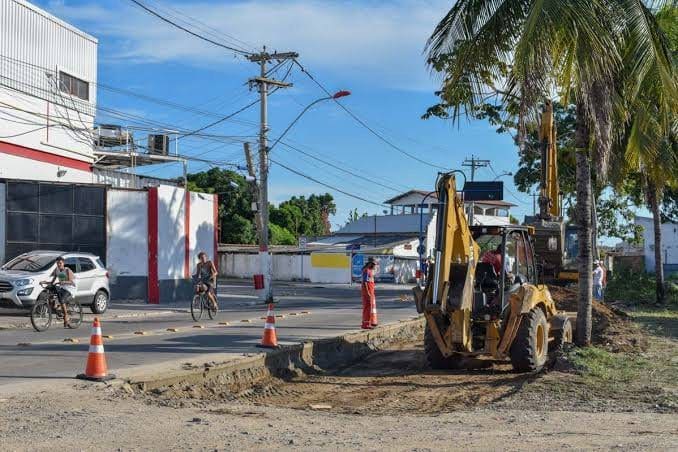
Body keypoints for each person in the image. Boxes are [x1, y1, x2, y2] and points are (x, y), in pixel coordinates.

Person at [42, 256, 75, 328]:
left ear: (63, 263)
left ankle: (66, 317)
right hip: (62, 287)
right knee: (51, 291)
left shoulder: (67, 270)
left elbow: (71, 282)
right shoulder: (56, 270)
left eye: (60, 263)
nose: (59, 264)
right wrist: (46, 282)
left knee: (62, 300)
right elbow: (52, 281)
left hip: (70, 288)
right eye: (57, 263)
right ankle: (56, 309)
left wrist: (63, 282)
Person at [361, 257, 377, 329]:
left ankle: (369, 322)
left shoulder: (370, 270)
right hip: (367, 291)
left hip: (371, 291)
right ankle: (366, 324)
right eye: (374, 264)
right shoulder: (366, 271)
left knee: (370, 307)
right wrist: (367, 292)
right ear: (370, 264)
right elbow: (365, 282)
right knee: (368, 307)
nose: (375, 266)